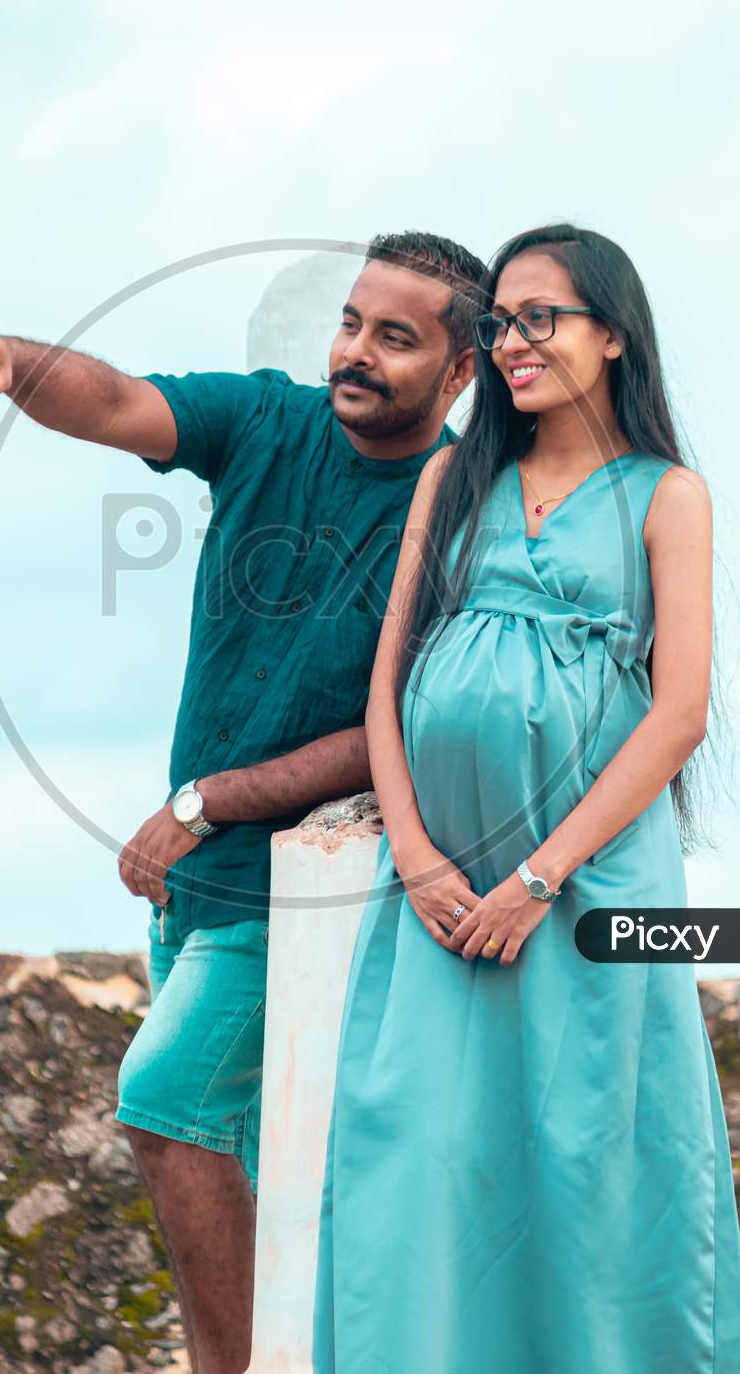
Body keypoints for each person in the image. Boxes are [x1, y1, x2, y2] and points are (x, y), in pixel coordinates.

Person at [0, 230, 486, 1374]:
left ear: (462, 368)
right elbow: (123, 400)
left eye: (396, 337)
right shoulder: (272, 421)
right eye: (349, 322)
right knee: (253, 1157)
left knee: (163, 1105)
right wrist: (11, 357)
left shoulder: (471, 511)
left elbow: (402, 727)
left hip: (298, 890)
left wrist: (206, 799)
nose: (357, 353)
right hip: (191, 886)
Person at [312, 223, 740, 1374]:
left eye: (538, 316)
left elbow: (680, 714)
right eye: (500, 321)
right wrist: (418, 858)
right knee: (418, 1156)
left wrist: (537, 878)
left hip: (586, 891)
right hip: (439, 897)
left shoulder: (670, 496)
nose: (512, 340)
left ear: (611, 334)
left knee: (595, 1169)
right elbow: (387, 682)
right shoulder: (459, 474)